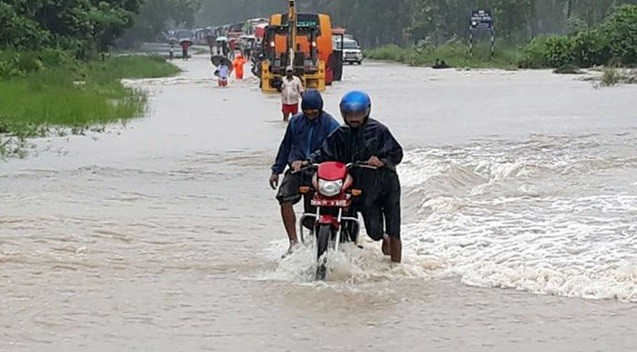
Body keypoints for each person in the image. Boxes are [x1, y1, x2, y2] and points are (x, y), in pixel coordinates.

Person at [307, 90, 404, 263]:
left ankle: (396, 269)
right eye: (349, 114)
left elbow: (397, 153)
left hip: (385, 186)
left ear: (366, 112)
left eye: (358, 114)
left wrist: (381, 161)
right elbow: (323, 153)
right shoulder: (340, 134)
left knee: (386, 230)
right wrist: (308, 162)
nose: (354, 118)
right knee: (350, 219)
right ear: (343, 114)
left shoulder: (379, 131)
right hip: (356, 186)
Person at [269, 89, 340, 257]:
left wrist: (310, 161)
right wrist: (276, 170)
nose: (309, 113)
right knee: (284, 198)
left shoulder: (331, 125)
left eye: (313, 110)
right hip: (296, 169)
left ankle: (321, 238)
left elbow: (333, 151)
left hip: (320, 171)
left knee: (314, 209)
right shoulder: (295, 122)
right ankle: (293, 242)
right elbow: (285, 147)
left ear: (320, 108)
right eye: (306, 109)